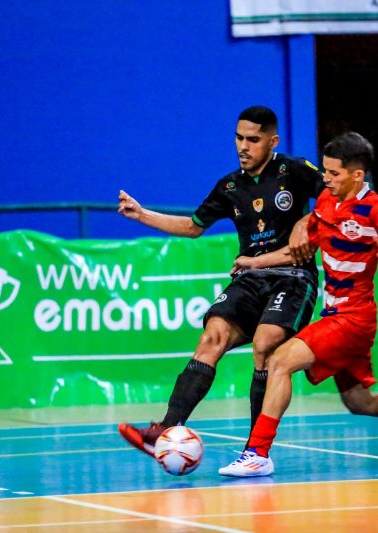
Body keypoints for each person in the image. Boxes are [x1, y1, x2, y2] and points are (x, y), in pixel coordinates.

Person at [218, 131, 378, 477]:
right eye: (325, 171)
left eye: (334, 173)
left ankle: (258, 453)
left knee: (279, 361)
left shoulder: (375, 208)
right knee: (360, 402)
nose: (326, 178)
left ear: (357, 175)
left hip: (353, 318)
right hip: (336, 314)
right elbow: (299, 248)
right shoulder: (325, 201)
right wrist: (254, 261)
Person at [116, 105, 326, 458]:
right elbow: (193, 227)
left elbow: (341, 195)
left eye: (253, 140)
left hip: (293, 278)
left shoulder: (294, 170)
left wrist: (309, 221)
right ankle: (164, 431)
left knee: (265, 343)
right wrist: (142, 215)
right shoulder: (229, 186)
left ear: (272, 141)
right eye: (239, 138)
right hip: (249, 277)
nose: (243, 146)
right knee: (211, 336)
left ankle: (255, 452)